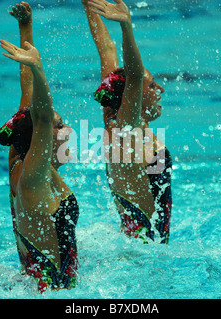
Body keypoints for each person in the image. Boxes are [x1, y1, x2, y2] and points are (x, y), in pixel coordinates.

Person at [0, 2, 79, 292]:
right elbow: (42, 115)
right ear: (39, 140)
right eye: (59, 126)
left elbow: (28, 95)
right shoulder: (33, 177)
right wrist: (38, 66)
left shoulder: (18, 157)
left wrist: (25, 26)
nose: (67, 131)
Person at [83, 0, 173, 244]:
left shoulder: (113, 118)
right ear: (134, 95)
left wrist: (88, 4)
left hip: (134, 246)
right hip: (148, 254)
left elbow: (106, 49)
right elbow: (133, 74)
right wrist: (126, 27)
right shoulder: (128, 130)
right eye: (152, 85)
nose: (161, 88)